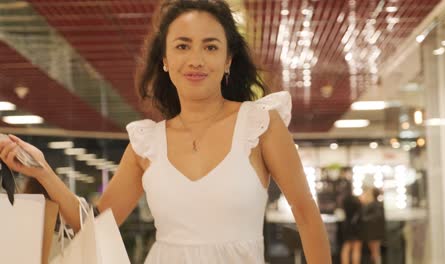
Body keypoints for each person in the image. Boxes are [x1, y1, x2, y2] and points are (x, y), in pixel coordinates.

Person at [0, 0, 331, 263]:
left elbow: (306, 215)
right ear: (165, 60)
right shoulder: (147, 144)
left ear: (228, 59)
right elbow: (96, 226)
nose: (196, 60)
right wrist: (43, 172)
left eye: (211, 47)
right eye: (183, 46)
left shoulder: (260, 125)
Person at [339, 181, 363, 264]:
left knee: (346, 246)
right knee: (356, 247)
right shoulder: (356, 200)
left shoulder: (343, 200)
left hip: (346, 225)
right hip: (356, 225)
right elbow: (361, 212)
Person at [361, 187, 385, 264]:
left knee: (375, 251)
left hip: (373, 231)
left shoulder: (374, 204)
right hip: (373, 231)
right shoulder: (375, 204)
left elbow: (376, 216)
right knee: (374, 251)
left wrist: (365, 219)